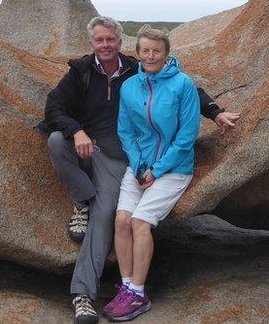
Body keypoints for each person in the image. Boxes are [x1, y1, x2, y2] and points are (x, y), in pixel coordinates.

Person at [42, 16, 240, 324]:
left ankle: (85, 294)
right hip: (97, 146)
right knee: (57, 140)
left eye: (111, 40)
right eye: (99, 40)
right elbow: (53, 108)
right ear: (92, 43)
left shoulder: (135, 69)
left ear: (121, 44)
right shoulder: (80, 71)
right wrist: (76, 130)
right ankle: (82, 199)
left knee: (108, 213)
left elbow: (187, 90)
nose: (105, 45)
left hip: (121, 157)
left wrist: (215, 112)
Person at [102, 25, 197, 321]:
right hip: (140, 166)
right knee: (121, 221)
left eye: (157, 51)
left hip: (173, 168)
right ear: (138, 53)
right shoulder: (130, 87)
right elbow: (125, 131)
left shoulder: (183, 85)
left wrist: (156, 170)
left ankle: (139, 294)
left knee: (141, 222)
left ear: (166, 53)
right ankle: (128, 286)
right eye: (145, 50)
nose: (151, 55)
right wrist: (140, 165)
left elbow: (187, 135)